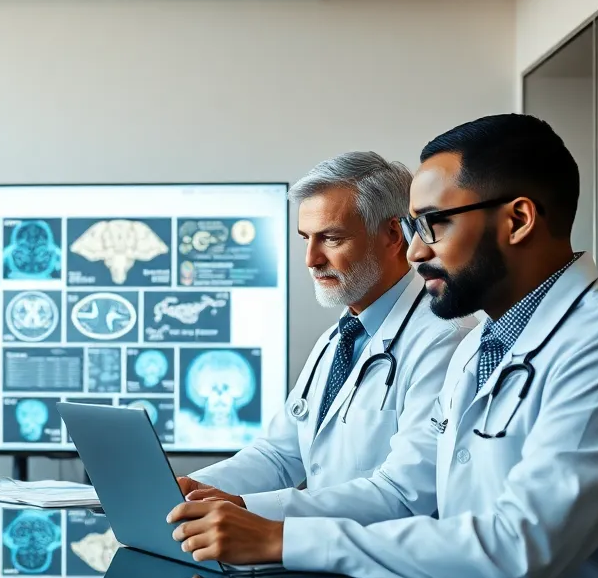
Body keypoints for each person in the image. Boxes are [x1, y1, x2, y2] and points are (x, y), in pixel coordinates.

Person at [167, 115, 598, 578]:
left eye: (433, 225)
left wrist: (279, 536)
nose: (415, 252)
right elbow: (377, 487)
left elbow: (515, 554)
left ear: (518, 220)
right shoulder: (483, 345)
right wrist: (218, 503)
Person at [175, 151, 472, 523]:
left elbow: (407, 493)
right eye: (306, 239)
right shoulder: (340, 337)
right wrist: (186, 489)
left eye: (331, 239)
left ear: (393, 235)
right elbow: (279, 455)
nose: (311, 259)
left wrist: (246, 508)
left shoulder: (445, 339)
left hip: (386, 556)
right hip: (322, 549)